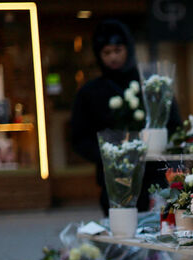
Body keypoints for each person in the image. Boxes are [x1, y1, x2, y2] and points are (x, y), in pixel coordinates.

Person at [70, 19, 180, 215]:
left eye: (117, 50)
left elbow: (173, 124)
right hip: (114, 179)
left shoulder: (151, 84)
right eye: (106, 52)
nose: (113, 57)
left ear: (128, 48)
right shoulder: (90, 92)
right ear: (99, 55)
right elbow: (79, 137)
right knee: (121, 232)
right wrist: (109, 155)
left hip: (153, 173)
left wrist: (155, 146)